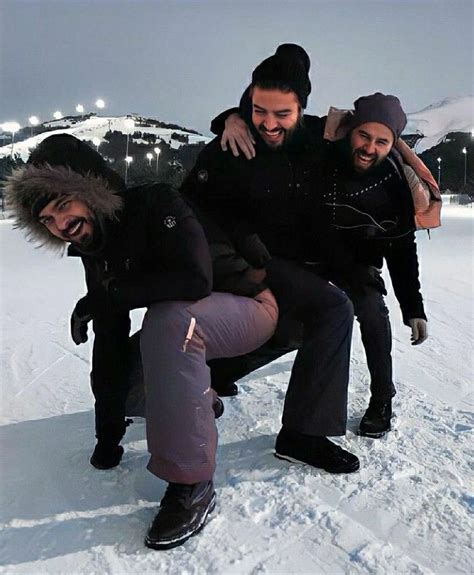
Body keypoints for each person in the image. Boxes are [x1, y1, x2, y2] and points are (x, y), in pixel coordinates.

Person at [5, 134, 278, 549]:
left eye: (64, 205)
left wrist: (104, 296)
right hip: (196, 324)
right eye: (47, 220)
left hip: (250, 307)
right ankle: (199, 403)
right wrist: (108, 433)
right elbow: (110, 336)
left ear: (92, 190)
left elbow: (194, 280)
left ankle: (192, 483)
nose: (61, 225)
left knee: (168, 322)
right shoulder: (95, 243)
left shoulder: (156, 203)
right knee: (137, 365)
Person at [213, 76, 431, 438]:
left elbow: (402, 249)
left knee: (372, 312)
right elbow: (272, 124)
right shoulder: (319, 141)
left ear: (393, 144)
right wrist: (231, 119)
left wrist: (414, 307)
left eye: (381, 142)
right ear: (351, 130)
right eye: (364, 136)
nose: (368, 148)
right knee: (286, 326)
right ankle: (222, 372)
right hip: (308, 256)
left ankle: (382, 396)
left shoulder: (394, 185)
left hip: (357, 266)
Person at [182, 44, 360, 475]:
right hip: (237, 264)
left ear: (302, 106)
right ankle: (302, 434)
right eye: (259, 109)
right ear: (248, 100)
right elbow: (188, 211)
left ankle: (219, 370)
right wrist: (229, 119)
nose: (268, 122)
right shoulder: (230, 143)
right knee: (334, 310)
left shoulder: (318, 141)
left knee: (301, 323)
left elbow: (376, 138)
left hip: (289, 263)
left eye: (282, 113)